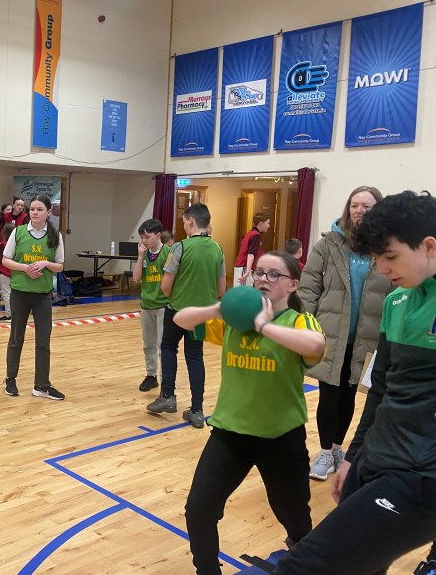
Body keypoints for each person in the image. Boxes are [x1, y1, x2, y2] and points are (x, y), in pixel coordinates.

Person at [273, 191, 436, 574]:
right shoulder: (396, 303)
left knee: (300, 567)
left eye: (390, 256)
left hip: (421, 477)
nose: (381, 269)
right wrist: (354, 459)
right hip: (375, 459)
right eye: (376, 258)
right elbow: (380, 393)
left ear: (429, 246)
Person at [177, 251, 325, 575]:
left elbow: (315, 346)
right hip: (231, 433)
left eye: (274, 274)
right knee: (199, 510)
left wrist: (264, 326)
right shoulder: (234, 322)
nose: (263, 279)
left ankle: (305, 560)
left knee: (295, 518)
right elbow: (181, 319)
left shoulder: (298, 321)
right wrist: (218, 309)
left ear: (293, 285)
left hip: (280, 437)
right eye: (259, 273)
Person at [298, 186, 392, 481]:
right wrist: (305, 325)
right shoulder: (328, 244)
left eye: (367, 206)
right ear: (347, 208)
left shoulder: (386, 247)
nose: (359, 211)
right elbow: (309, 287)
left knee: (349, 395)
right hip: (330, 334)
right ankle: (325, 452)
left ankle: (339, 447)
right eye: (355, 205)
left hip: (366, 338)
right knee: (329, 394)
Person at [147, 203, 226, 428]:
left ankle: (167, 396)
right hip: (202, 315)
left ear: (191, 221)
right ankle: (197, 410)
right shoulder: (218, 249)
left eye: (183, 222)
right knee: (195, 357)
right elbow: (221, 289)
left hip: (177, 311)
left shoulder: (179, 247)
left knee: (168, 348)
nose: (183, 226)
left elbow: (165, 287)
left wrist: (179, 296)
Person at [2, 194, 65, 400]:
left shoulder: (55, 236)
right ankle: (10, 379)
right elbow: (5, 260)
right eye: (32, 209)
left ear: (48, 212)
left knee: (43, 341)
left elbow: (60, 266)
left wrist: (46, 264)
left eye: (40, 209)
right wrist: (24, 268)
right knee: (16, 338)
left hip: (43, 295)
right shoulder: (18, 232)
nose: (35, 212)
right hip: (20, 293)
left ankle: (42, 385)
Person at [132, 219, 172, 392]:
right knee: (148, 343)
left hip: (163, 305)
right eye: (141, 237)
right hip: (146, 305)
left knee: (163, 345)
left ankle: (166, 379)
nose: (144, 241)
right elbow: (136, 279)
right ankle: (151, 375)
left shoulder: (168, 253)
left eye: (147, 237)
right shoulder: (144, 254)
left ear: (158, 235)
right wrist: (140, 257)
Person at [233, 212, 270, 286]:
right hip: (244, 267)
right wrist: (248, 272)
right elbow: (250, 254)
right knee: (244, 291)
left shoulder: (250, 233)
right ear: (261, 224)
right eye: (268, 223)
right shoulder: (256, 236)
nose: (269, 226)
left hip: (241, 267)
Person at [0, 223, 14, 322]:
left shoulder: (3, 245)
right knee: (15, 294)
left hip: (5, 272)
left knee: (7, 294)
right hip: (15, 272)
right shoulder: (17, 244)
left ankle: (9, 314)